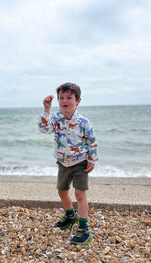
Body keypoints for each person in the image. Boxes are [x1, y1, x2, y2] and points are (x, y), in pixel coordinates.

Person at [38, 82, 98, 246]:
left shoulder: (84, 122)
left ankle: (84, 228)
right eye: (61, 98)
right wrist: (46, 110)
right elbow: (44, 129)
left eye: (69, 97)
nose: (65, 100)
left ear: (78, 100)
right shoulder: (56, 119)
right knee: (62, 192)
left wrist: (92, 160)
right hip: (63, 163)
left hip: (80, 162)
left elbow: (92, 142)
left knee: (80, 194)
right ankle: (70, 215)